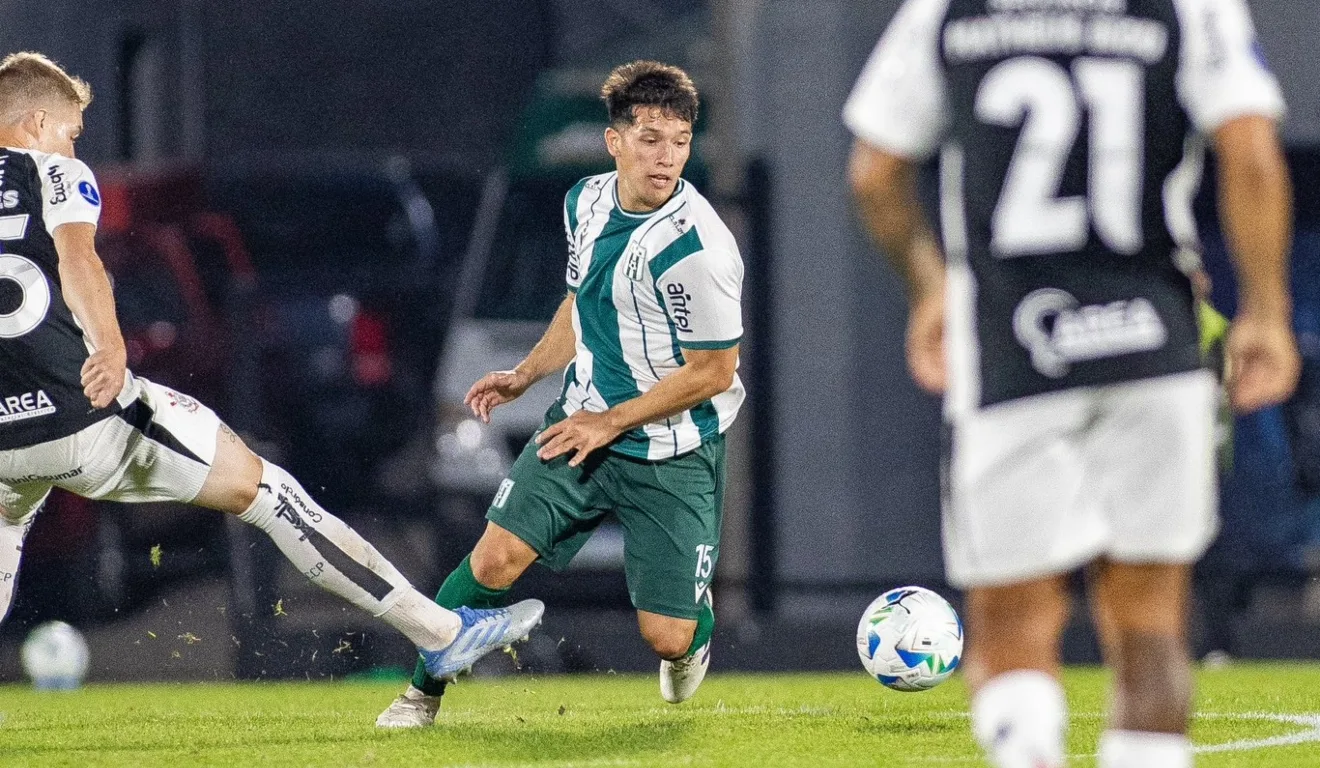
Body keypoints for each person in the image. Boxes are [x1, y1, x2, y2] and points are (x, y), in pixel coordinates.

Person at [845, 1, 1298, 766]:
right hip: (1153, 341)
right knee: (1149, 620)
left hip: (1011, 347)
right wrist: (1265, 311)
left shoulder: (949, 11)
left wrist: (930, 290)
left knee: (1012, 620)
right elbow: (1249, 150)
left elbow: (875, 172)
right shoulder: (1187, 7)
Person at [0, 51, 544, 680]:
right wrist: (112, 345)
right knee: (267, 492)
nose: (72, 146)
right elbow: (79, 262)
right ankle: (441, 633)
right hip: (81, 414)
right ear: (38, 122)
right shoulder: (53, 173)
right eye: (69, 132)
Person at [376, 60, 743, 727]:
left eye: (681, 142)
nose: (667, 159)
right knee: (493, 559)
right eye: (651, 139)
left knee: (665, 636)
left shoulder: (699, 248)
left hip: (672, 451)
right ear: (615, 141)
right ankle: (421, 695)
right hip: (579, 426)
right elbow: (580, 304)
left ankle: (695, 627)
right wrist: (526, 374)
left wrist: (612, 422)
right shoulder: (586, 201)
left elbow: (713, 373)